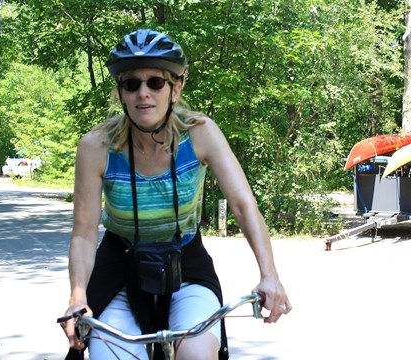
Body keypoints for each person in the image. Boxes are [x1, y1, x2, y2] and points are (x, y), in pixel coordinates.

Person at [60, 29, 291, 360]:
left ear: (176, 88)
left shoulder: (200, 134)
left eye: (155, 82)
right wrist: (77, 295)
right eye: (132, 84)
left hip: (185, 263)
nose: (144, 94)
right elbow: (83, 234)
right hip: (120, 265)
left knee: (197, 354)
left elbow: (243, 206)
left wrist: (270, 276)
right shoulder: (96, 146)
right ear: (121, 93)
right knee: (107, 355)